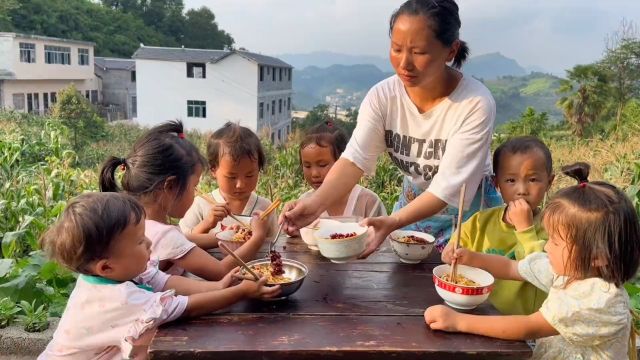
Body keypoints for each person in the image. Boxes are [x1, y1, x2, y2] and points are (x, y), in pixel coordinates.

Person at [281, 0, 502, 257]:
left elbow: (447, 189)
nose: (404, 64)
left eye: (419, 52)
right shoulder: (383, 96)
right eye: (396, 49)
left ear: (451, 51)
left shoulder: (474, 103)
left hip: (469, 213)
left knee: (456, 282)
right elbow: (354, 160)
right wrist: (314, 205)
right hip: (413, 204)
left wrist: (394, 221)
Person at [425, 162, 640, 359]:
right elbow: (511, 268)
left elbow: (529, 326)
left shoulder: (599, 299)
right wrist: (473, 258)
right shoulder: (570, 271)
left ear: (598, 255)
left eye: (556, 242)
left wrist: (458, 321)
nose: (547, 246)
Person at [38, 192, 279, 359]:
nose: (150, 242)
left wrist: (220, 286)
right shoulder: (117, 298)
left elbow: (164, 281)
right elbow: (186, 307)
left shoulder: (117, 272)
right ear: (106, 267)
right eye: (140, 241)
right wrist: (240, 292)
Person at [99, 120, 266, 280]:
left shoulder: (140, 225)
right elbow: (221, 271)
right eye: (193, 187)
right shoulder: (165, 236)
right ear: (170, 186)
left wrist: (226, 237)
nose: (195, 194)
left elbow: (186, 239)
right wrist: (257, 237)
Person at [441, 136, 554, 315]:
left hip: (525, 329)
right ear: (497, 184)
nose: (522, 189)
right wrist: (451, 254)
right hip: (476, 316)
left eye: (532, 179)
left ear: (549, 182)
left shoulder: (555, 228)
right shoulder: (480, 222)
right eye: (510, 180)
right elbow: (451, 251)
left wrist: (525, 230)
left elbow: (544, 273)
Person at [179, 122, 278, 249]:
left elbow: (274, 246)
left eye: (249, 175)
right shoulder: (200, 205)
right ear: (213, 170)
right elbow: (182, 244)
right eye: (231, 177)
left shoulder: (265, 208)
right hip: (209, 268)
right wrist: (207, 223)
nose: (240, 185)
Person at [296, 122, 386, 227]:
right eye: (307, 166)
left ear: (343, 163)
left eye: (322, 165)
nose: (314, 173)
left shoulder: (368, 202)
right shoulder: (303, 204)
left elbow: (384, 240)